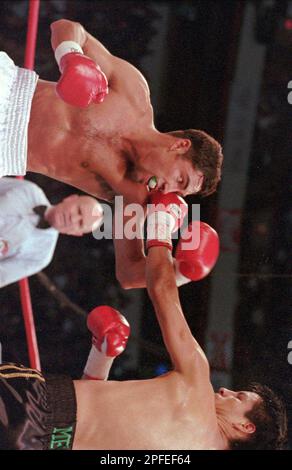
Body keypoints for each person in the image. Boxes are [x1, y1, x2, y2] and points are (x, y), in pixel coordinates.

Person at [0, 195, 287, 450]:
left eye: (238, 397)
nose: (225, 390)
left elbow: (162, 290)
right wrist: (101, 356)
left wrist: (161, 226)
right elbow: (89, 426)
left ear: (245, 427)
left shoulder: (196, 384)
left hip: (31, 404)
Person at [0, 18, 223, 205]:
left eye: (177, 192)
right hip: (9, 89)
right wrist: (71, 57)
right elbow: (66, 27)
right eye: (180, 180)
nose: (168, 191)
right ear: (180, 145)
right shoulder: (134, 94)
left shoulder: (129, 191)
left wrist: (162, 236)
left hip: (6, 154)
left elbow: (135, 253)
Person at [0, 177, 103, 288]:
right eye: (78, 211)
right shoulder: (29, 190)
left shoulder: (41, 256)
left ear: (75, 233)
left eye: (80, 223)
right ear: (70, 198)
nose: (73, 219)